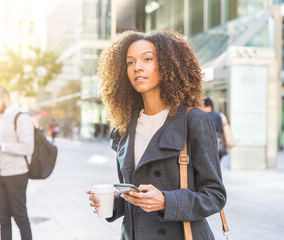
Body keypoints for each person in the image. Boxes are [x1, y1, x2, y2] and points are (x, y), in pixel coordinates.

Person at [87, 30, 226, 239]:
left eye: (147, 59)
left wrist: (166, 201)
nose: (137, 67)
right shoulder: (124, 126)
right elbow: (135, 192)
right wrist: (114, 205)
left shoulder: (193, 120)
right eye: (130, 62)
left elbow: (215, 196)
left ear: (169, 65)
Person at [0, 85, 34, 240]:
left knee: (20, 218)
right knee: (3, 219)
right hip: (3, 175)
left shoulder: (21, 117)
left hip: (17, 175)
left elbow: (27, 147)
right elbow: (5, 143)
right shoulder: (4, 118)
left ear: (5, 98)